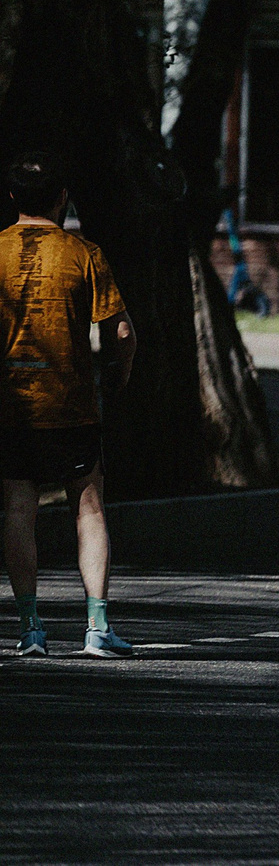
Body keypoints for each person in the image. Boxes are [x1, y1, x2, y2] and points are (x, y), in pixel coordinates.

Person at [1, 151, 138, 660]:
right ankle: (97, 626)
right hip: (71, 405)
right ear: (62, 198)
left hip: (10, 408)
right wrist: (117, 374)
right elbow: (120, 331)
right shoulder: (84, 253)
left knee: (18, 508)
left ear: (12, 197)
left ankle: (31, 627)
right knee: (89, 507)